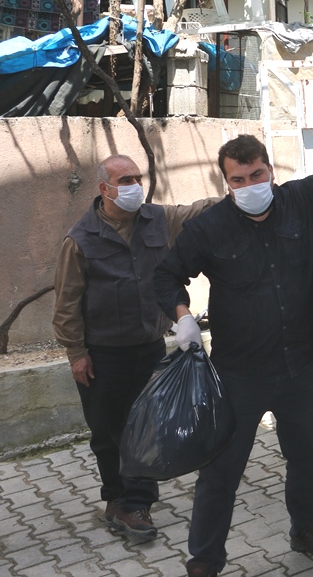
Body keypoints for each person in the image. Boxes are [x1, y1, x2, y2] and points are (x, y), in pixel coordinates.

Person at [153, 135, 313, 577]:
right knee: (221, 472)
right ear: (227, 182)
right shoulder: (208, 227)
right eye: (239, 179)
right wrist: (183, 318)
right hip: (238, 375)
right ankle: (205, 560)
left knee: (305, 458)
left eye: (257, 175)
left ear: (270, 171)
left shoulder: (298, 199)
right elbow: (165, 275)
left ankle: (307, 529)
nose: (250, 184)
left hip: (300, 368)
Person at [52, 154, 217, 541]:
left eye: (137, 178)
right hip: (102, 354)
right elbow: (66, 306)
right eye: (125, 180)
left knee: (147, 428)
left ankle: (137, 504)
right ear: (104, 189)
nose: (134, 186)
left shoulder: (156, 218)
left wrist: (238, 193)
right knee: (108, 432)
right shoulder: (80, 239)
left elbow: (195, 212)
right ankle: (115, 498)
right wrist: (76, 354)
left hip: (147, 347)